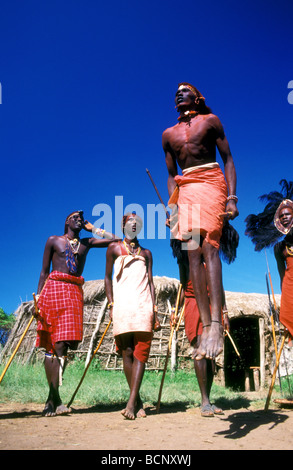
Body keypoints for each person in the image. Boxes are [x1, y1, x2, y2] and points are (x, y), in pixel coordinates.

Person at [162, 82, 238, 361]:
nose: (179, 93)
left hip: (211, 181)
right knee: (192, 252)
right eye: (176, 92)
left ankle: (216, 324)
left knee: (210, 247)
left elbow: (228, 159)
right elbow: (171, 174)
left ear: (197, 97)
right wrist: (173, 206)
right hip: (187, 187)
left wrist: (232, 198)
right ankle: (206, 326)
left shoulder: (210, 121)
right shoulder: (168, 134)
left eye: (185, 90)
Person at [36, 210, 119, 417]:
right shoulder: (53, 240)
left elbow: (116, 239)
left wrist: (94, 229)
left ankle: (52, 398)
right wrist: (38, 299)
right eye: (76, 218)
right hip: (54, 289)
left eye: (82, 219)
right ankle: (54, 400)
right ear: (66, 221)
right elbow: (44, 271)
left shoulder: (86, 243)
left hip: (74, 292)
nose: (79, 221)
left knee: (63, 345)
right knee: (52, 344)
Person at [104, 212, 159, 420]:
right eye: (130, 222)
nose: (134, 225)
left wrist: (154, 309)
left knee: (140, 353)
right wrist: (111, 304)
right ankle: (137, 401)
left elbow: (151, 282)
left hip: (144, 305)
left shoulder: (147, 253)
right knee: (126, 351)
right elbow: (107, 279)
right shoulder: (113, 249)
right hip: (123, 305)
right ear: (123, 225)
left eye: (138, 223)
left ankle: (130, 403)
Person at [170, 239, 229, 417]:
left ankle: (208, 399)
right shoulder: (185, 261)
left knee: (210, 354)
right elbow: (182, 286)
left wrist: (225, 313)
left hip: (212, 306)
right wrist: (176, 309)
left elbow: (219, 286)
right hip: (193, 305)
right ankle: (204, 401)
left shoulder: (212, 258)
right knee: (199, 349)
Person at [274, 199, 293, 341]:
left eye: (287, 214)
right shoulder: (279, 247)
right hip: (289, 286)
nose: (284, 217)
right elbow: (282, 273)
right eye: (281, 216)